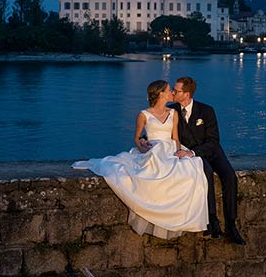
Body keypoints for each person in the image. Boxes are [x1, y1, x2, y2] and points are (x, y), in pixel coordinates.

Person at [72, 80, 209, 239]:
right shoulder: (143, 115)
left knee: (190, 170)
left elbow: (175, 137)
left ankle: (182, 217)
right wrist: (142, 146)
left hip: (170, 149)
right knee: (148, 171)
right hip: (153, 149)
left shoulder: (173, 113)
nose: (172, 92)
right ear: (160, 94)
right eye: (169, 90)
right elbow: (137, 138)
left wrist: (178, 151)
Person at [160, 76, 246, 245]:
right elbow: (158, 126)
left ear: (186, 94)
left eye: (176, 91)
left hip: (212, 152)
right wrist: (143, 138)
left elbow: (214, 140)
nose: (173, 93)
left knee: (229, 177)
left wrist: (193, 152)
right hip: (191, 155)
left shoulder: (207, 111)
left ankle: (231, 225)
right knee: (205, 174)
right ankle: (212, 220)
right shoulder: (171, 111)